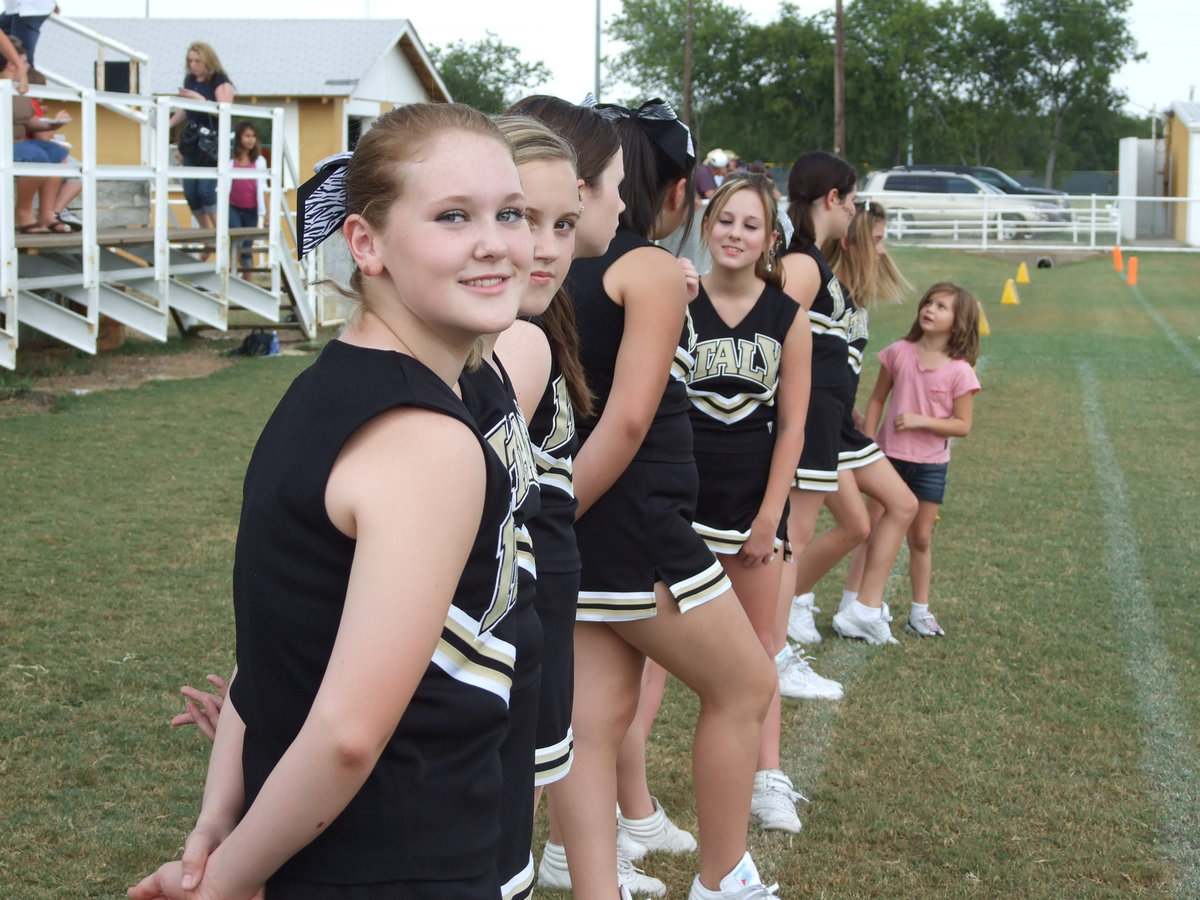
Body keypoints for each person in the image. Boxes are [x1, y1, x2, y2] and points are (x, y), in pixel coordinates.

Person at [128, 101, 533, 900]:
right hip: (401, 862)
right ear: (365, 243)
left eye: (508, 212)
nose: (497, 242)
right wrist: (224, 883)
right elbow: (347, 737)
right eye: (453, 216)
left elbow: (279, 651)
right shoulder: (425, 441)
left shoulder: (323, 389)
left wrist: (219, 828)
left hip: (324, 853)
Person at [551, 97, 778, 900]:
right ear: (675, 190)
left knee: (598, 715)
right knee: (746, 685)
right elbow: (630, 419)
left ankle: (588, 882)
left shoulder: (545, 267)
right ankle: (725, 880)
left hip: (586, 527)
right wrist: (554, 514)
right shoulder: (642, 264)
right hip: (635, 523)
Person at [684, 172, 830, 834]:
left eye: (750, 225)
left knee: (760, 650)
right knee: (654, 660)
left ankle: (767, 779)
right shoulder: (677, 303)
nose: (735, 233)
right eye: (724, 220)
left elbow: (792, 426)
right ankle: (633, 807)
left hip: (751, 508)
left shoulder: (787, 316)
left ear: (772, 240)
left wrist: (771, 517)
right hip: (679, 504)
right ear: (706, 225)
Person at [785, 199, 919, 647]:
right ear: (853, 240)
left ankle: (861, 609)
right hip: (818, 425)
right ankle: (789, 600)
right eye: (877, 240)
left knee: (901, 504)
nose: (883, 251)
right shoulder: (824, 285)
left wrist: (856, 409)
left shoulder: (855, 295)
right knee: (855, 525)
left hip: (843, 424)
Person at [861, 282, 981, 637]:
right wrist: (868, 442)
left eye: (942, 307)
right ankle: (865, 604)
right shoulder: (898, 352)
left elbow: (963, 425)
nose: (930, 309)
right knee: (872, 531)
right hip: (887, 460)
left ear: (959, 323)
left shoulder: (960, 371)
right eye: (928, 302)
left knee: (921, 538)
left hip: (930, 465)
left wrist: (921, 421)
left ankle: (919, 611)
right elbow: (876, 400)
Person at [3, 37, 72, 233]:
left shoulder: (19, 90)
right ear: (11, 64)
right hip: (5, 144)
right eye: (24, 62)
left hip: (17, 143)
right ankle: (23, 212)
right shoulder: (3, 89)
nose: (27, 67)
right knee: (37, 156)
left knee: (57, 152)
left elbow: (29, 121)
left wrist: (54, 124)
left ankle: (46, 214)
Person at [169, 41, 233, 230]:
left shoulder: (220, 81)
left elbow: (223, 111)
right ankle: (208, 233)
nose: (193, 65)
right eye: (190, 61)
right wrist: (167, 124)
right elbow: (185, 108)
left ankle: (220, 234)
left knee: (206, 191)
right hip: (192, 142)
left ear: (207, 61)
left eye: (198, 61)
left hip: (212, 144)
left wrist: (200, 100)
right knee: (190, 191)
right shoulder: (190, 80)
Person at [229, 121, 268, 275]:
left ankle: (248, 281)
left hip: (252, 209)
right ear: (239, 138)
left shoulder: (259, 161)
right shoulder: (230, 160)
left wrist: (267, 214)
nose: (251, 139)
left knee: (247, 247)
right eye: (247, 136)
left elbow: (264, 188)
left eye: (253, 136)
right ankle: (232, 278)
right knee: (236, 242)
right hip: (233, 207)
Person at [0, 0, 54, 68]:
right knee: (21, 55)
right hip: (22, 8)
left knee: (21, 56)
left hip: (27, 10)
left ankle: (26, 76)